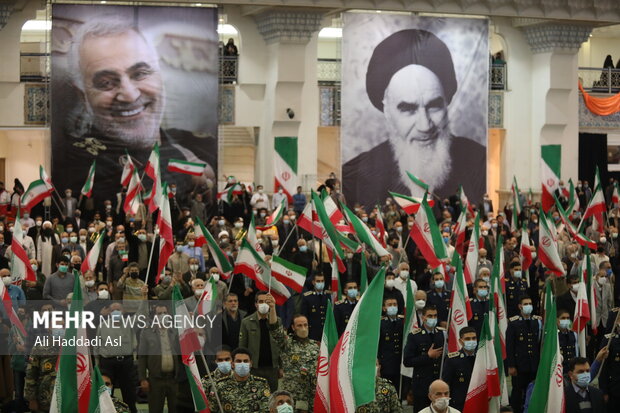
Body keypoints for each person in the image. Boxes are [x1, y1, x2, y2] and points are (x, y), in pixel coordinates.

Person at [56, 19, 217, 206]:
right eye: (106, 82)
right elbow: (122, 196)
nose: (130, 95)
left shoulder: (202, 144)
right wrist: (181, 162)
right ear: (83, 95)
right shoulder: (75, 163)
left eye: (140, 73)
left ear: (160, 77)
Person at [342, 29, 486, 208]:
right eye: (408, 109)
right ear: (387, 110)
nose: (425, 126)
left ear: (446, 103)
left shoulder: (477, 161)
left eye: (434, 106)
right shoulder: (358, 173)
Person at [269, 314, 319, 412]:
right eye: (299, 325)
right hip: (292, 397)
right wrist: (272, 308)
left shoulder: (316, 346)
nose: (303, 328)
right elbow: (275, 330)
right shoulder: (287, 343)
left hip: (311, 397)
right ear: (293, 327)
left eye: (305, 325)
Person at [403, 305, 446, 413]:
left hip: (438, 382)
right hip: (422, 384)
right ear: (423, 318)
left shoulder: (441, 334)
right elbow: (407, 361)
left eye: (435, 316)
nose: (433, 318)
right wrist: (427, 356)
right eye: (430, 316)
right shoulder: (414, 336)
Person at [138, 304, 179, 413]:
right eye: (159, 313)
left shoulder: (176, 331)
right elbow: (141, 357)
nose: (163, 315)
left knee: (176, 409)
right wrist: (143, 378)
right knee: (155, 409)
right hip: (155, 380)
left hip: (174, 379)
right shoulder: (146, 332)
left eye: (165, 313)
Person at [506, 296, 542, 413]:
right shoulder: (513, 323)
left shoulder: (537, 321)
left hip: (534, 363)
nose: (528, 306)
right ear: (520, 306)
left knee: (533, 389)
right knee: (517, 391)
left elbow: (539, 343)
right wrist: (511, 365)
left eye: (530, 303)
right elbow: (510, 346)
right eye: (525, 304)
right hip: (519, 364)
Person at [238, 292, 281, 391]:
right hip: (255, 368)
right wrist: (244, 365)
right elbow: (242, 346)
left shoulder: (277, 321)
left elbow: (280, 345)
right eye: (261, 301)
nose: (263, 304)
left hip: (272, 368)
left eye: (266, 301)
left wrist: (281, 366)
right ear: (256, 304)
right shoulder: (246, 322)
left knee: (273, 396)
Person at [208, 347, 271, 413]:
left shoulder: (261, 384)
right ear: (232, 364)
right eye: (238, 361)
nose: (242, 364)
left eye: (245, 361)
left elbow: (266, 409)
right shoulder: (219, 385)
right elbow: (213, 409)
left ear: (251, 364)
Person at [441, 327, 477, 412]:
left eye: (474, 338)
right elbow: (446, 383)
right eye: (467, 339)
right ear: (461, 341)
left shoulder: (482, 357)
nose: (471, 341)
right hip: (459, 404)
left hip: (478, 400)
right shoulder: (452, 359)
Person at [378, 297, 404, 393]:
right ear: (384, 308)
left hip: (400, 362)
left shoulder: (403, 321)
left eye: (395, 304)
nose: (393, 307)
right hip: (386, 363)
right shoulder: (380, 323)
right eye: (389, 305)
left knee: (398, 390)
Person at [301, 273, 331, 341]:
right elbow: (304, 315)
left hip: (326, 332)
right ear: (313, 282)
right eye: (318, 281)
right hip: (313, 332)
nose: (321, 283)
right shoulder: (307, 297)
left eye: (322, 281)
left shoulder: (327, 296)